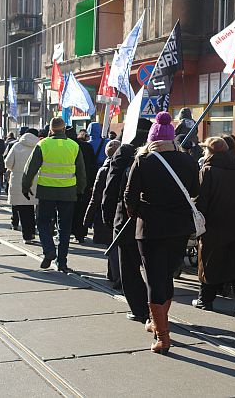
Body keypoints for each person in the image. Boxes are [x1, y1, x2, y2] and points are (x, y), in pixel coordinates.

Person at [124, 112, 199, 354]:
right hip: (179, 228)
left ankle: (162, 335)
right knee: (167, 275)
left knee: (155, 279)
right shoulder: (189, 161)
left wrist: (136, 212)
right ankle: (159, 323)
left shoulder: (143, 160)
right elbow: (196, 191)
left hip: (150, 228)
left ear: (152, 138)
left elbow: (130, 196)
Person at [192, 137, 235, 320]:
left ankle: (205, 300)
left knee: (210, 263)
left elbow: (200, 202)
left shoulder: (208, 170)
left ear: (210, 152)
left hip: (215, 226)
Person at [102, 118, 152, 323]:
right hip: (157, 219)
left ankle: (140, 309)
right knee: (155, 268)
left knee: (129, 267)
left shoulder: (124, 152)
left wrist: (108, 215)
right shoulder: (159, 153)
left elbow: (111, 186)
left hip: (128, 218)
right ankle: (158, 308)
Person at [23, 117, 87, 272]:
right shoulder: (74, 146)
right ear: (64, 129)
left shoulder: (43, 144)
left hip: (46, 192)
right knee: (65, 228)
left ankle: (49, 250)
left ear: (50, 130)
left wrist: (26, 186)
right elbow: (81, 171)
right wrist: (80, 190)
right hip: (68, 192)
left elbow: (30, 168)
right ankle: (62, 261)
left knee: (43, 223)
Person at [86, 140, 121, 281]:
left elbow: (96, 196)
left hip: (105, 214)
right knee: (115, 246)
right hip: (118, 213)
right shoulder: (126, 168)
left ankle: (113, 274)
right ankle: (114, 274)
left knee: (110, 244)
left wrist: (88, 218)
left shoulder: (103, 170)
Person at [5, 128, 40, 243]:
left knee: (22, 209)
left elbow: (8, 163)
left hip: (18, 180)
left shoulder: (17, 146)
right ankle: (31, 232)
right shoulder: (39, 146)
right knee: (31, 208)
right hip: (35, 179)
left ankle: (27, 236)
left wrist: (14, 169)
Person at [67, 126, 97, 244]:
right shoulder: (86, 146)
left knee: (67, 210)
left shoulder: (67, 146)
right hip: (85, 183)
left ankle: (66, 232)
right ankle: (80, 234)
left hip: (67, 183)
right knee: (82, 209)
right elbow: (93, 166)